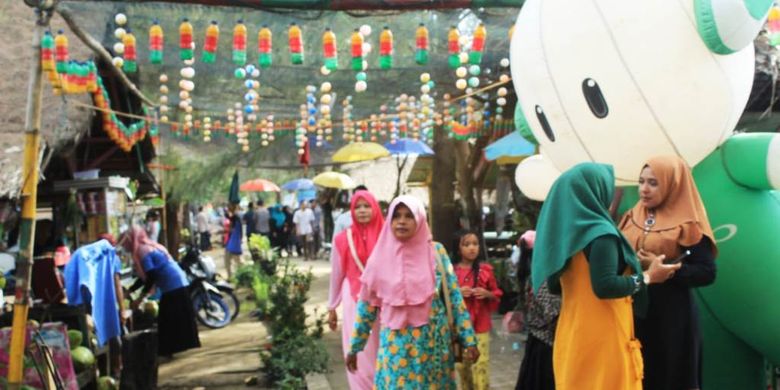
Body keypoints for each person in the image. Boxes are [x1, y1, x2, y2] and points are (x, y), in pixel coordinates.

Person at [531, 163, 680, 390]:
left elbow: (558, 285)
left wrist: (631, 264)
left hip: (573, 333)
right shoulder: (602, 234)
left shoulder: (567, 237)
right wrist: (649, 276)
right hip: (604, 336)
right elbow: (605, 285)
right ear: (596, 190)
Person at [347, 195, 479, 389]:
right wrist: (355, 347)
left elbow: (454, 297)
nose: (402, 221)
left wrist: (469, 339)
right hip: (395, 348)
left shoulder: (436, 252)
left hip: (433, 346)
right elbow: (366, 308)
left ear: (419, 219)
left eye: (409, 216)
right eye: (397, 216)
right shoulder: (379, 258)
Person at [618, 156, 717, 390]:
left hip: (673, 318)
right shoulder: (631, 217)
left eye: (654, 183)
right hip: (634, 313)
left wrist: (668, 271)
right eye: (641, 181)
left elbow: (707, 272)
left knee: (670, 378)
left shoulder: (689, 224)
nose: (644, 189)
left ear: (673, 184)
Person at [327, 190, 384, 389]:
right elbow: (337, 273)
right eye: (357, 207)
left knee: (383, 348)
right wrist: (332, 306)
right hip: (355, 300)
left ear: (375, 208)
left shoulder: (389, 236)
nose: (362, 211)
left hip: (385, 301)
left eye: (366, 206)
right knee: (360, 350)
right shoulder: (343, 239)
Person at [120, 226, 200, 357]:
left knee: (167, 318)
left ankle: (169, 349)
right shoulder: (149, 247)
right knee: (172, 317)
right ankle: (173, 348)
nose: (126, 246)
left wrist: (139, 298)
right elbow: (145, 277)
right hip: (177, 283)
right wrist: (130, 291)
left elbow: (151, 276)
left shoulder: (142, 251)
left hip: (172, 285)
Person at [453, 230, 502, 390]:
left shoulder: (486, 271)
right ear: (459, 248)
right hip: (459, 329)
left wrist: (487, 294)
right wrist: (458, 292)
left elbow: (496, 294)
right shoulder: (452, 272)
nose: (472, 248)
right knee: (462, 369)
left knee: (480, 366)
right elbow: (443, 297)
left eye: (475, 244)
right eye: (467, 244)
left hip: (480, 327)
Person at [515, 230, 559, 390]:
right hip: (547, 347)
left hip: (538, 344)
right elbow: (553, 313)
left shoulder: (532, 275)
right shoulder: (544, 279)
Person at [225, 205, 243, 279]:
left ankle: (233, 277)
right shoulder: (238, 221)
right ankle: (238, 277)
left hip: (232, 247)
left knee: (229, 262)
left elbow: (228, 217)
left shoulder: (235, 221)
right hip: (233, 246)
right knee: (237, 263)